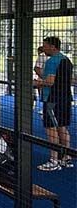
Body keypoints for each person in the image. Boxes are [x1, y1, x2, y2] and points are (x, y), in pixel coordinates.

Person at [34, 36, 73, 171]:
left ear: (52, 47)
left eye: (45, 46)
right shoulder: (67, 60)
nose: (43, 48)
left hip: (52, 99)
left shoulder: (52, 61)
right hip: (66, 98)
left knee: (51, 128)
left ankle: (54, 160)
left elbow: (50, 82)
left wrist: (36, 83)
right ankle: (66, 157)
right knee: (63, 127)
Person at [34, 45, 47, 115]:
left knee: (43, 94)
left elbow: (37, 68)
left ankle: (45, 109)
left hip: (43, 78)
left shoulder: (42, 56)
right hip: (46, 79)